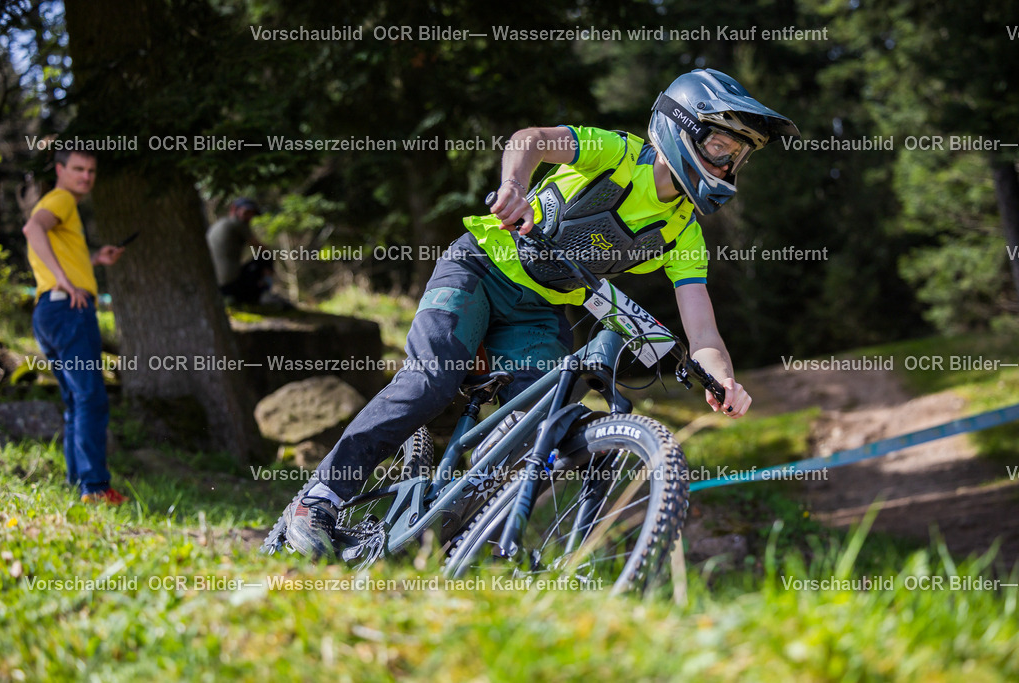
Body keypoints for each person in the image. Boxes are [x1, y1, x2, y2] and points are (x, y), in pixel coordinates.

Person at [280, 68, 800, 558]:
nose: (726, 167)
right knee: (431, 380)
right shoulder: (618, 154)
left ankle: (458, 539)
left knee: (543, 428)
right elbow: (530, 140)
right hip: (481, 268)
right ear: (681, 127)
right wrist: (514, 187)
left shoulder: (683, 233)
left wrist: (723, 379)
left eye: (737, 157)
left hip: (540, 312)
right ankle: (318, 499)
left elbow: (702, 331)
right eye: (719, 148)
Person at [21, 149, 129, 504]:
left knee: (76, 402)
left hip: (49, 311)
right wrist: (64, 281)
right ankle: (95, 488)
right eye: (78, 169)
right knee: (91, 398)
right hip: (69, 310)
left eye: (91, 171)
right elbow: (32, 229)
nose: (86, 176)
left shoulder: (60, 205)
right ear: (60, 170)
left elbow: (54, 246)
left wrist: (94, 259)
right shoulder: (61, 199)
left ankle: (78, 485)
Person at [206, 197, 272, 304]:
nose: (249, 217)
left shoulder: (220, 223)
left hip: (214, 284)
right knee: (266, 256)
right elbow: (262, 248)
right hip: (229, 285)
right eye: (246, 212)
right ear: (234, 209)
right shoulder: (237, 224)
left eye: (252, 214)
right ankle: (265, 293)